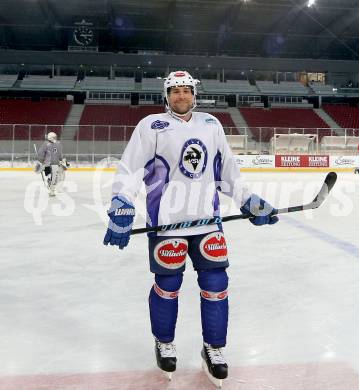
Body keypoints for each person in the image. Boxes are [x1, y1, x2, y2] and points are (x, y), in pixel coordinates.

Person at [103, 70, 279, 387]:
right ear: (166, 96)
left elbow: (227, 169)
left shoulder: (211, 125)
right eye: (175, 91)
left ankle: (213, 348)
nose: (181, 96)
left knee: (216, 282)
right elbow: (129, 168)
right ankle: (164, 342)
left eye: (186, 90)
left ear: (194, 94)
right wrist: (122, 202)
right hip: (167, 224)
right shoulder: (151, 126)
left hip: (207, 222)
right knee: (168, 285)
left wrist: (247, 199)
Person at [35, 131, 67, 196]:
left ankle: (50, 185)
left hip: (47, 164)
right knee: (55, 177)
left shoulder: (45, 144)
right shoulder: (58, 144)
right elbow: (60, 155)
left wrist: (40, 161)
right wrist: (62, 160)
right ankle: (51, 189)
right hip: (55, 164)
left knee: (50, 176)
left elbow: (41, 154)